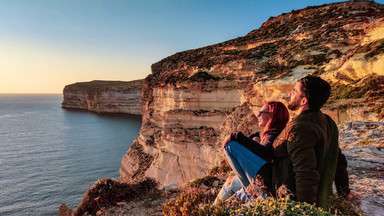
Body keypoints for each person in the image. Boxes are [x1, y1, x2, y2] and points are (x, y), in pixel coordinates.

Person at [272, 75, 355, 207]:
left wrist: (306, 209)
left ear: (304, 101)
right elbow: (338, 160)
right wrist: (344, 192)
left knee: (233, 147)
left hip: (287, 194)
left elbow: (305, 172)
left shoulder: (300, 127)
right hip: (316, 195)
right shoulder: (328, 121)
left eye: (294, 91)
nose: (290, 93)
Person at [219, 101, 289, 202]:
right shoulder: (273, 132)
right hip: (264, 177)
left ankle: (249, 190)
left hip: (266, 183)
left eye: (261, 113)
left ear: (272, 115)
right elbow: (258, 134)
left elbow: (264, 151)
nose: (258, 115)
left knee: (231, 146)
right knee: (230, 187)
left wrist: (237, 136)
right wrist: (255, 137)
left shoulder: (274, 134)